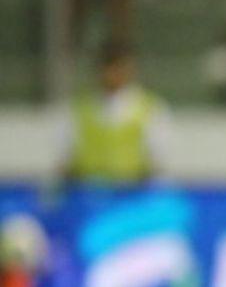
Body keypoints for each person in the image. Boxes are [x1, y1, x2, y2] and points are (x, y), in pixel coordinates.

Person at [56, 41, 170, 186]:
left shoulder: (151, 108)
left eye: (120, 66)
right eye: (109, 66)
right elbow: (64, 162)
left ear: (131, 69)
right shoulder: (77, 109)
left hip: (134, 194)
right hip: (88, 193)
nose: (113, 73)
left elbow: (158, 162)